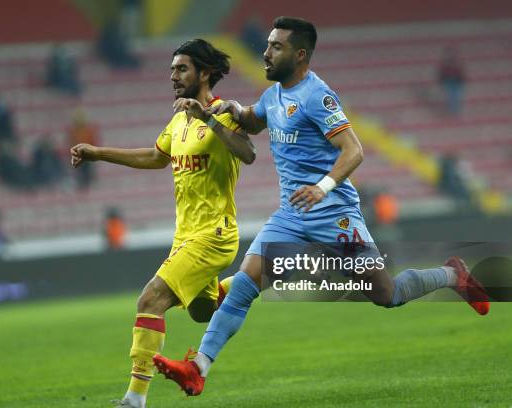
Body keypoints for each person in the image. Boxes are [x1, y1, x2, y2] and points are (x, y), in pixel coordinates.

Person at [153, 16, 490, 397]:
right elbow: (251, 119)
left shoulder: (317, 96)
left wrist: (323, 186)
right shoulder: (274, 95)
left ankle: (451, 275)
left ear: (299, 55)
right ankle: (198, 367)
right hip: (291, 216)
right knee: (245, 284)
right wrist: (225, 108)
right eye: (266, 45)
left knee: (387, 295)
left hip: (335, 215)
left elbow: (354, 150)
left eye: (275, 47)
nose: (265, 53)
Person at [70, 39, 255, 408]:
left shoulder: (224, 113)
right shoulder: (177, 120)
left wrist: (206, 118)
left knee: (150, 298)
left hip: (214, 235)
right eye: (171, 69)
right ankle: (253, 279)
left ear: (204, 73)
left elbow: (247, 153)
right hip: (185, 236)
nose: (172, 76)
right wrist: (98, 153)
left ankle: (134, 399)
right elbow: (157, 157)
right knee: (204, 312)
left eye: (181, 68)